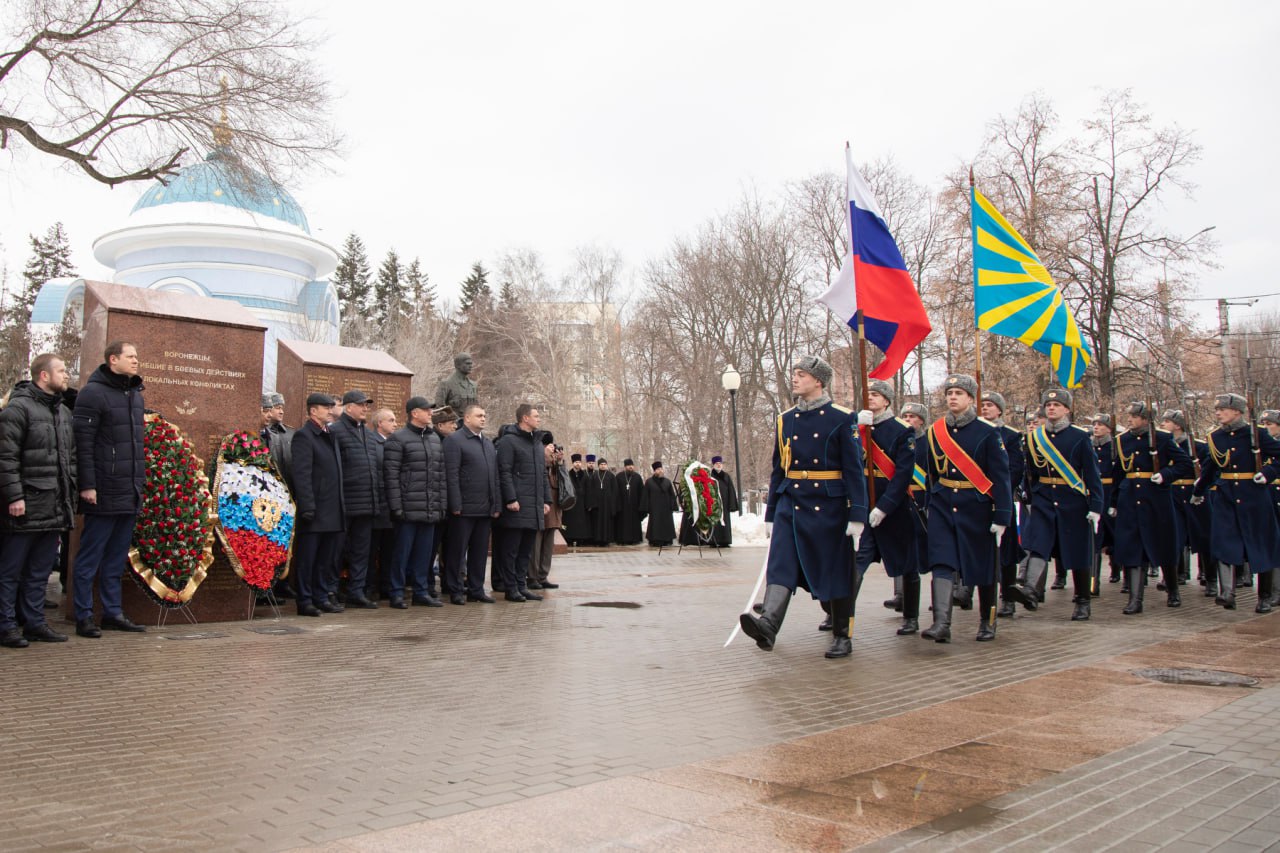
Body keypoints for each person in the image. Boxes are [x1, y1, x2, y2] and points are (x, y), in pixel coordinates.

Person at [740, 355, 867, 659]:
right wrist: (771, 512)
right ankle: (768, 625)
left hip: (829, 504)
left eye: (802, 375)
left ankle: (842, 635)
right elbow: (778, 469)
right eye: (795, 374)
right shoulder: (786, 419)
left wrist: (857, 514)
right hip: (792, 501)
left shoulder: (842, 417)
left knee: (836, 569)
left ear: (818, 381)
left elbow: (853, 470)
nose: (795, 379)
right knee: (781, 563)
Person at [920, 374, 1012, 644]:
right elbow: (931, 473)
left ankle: (987, 621)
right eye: (949, 393)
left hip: (977, 506)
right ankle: (941, 623)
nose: (953, 397)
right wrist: (930, 503)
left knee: (982, 565)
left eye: (959, 393)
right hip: (943, 504)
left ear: (971, 398)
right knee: (941, 560)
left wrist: (1002, 515)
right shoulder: (936, 431)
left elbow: (1001, 477)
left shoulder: (988, 432)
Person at [70, 340, 147, 637]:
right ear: (113, 359)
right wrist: (87, 485)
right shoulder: (92, 393)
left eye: (136, 356)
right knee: (90, 557)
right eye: (131, 356)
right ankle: (83, 615)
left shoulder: (134, 395)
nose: (136, 361)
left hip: (129, 489)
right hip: (102, 490)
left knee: (116, 558)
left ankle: (112, 612)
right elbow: (83, 444)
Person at [0, 354, 77, 647]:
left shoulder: (63, 412)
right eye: (61, 370)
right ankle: (6, 625)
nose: (66, 375)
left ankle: (34, 623)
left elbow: (70, 459)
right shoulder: (18, 409)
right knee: (10, 571)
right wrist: (15, 496)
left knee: (40, 572)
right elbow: (6, 458)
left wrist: (70, 493)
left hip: (55, 505)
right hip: (25, 505)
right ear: (44, 376)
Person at [1008, 388, 1103, 621]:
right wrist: (1030, 496)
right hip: (1044, 499)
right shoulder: (1034, 438)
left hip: (1073, 500)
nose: (1051, 408)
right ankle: (1030, 589)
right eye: (1048, 405)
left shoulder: (1079, 437)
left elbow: (1092, 474)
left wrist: (1096, 506)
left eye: (1057, 405)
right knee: (1038, 544)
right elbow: (1031, 471)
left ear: (1067, 409)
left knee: (1077, 551)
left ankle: (1082, 601)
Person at [1191, 393, 1280, 613]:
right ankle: (1227, 593)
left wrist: (1268, 473)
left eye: (1223, 409)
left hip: (1254, 496)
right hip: (1226, 497)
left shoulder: (1257, 433)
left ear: (1237, 412)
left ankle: (1264, 597)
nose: (1218, 413)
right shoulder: (1215, 437)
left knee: (1261, 546)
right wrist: (1198, 491)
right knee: (1223, 542)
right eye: (1217, 410)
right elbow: (1210, 468)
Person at [848, 379, 921, 641]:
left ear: (887, 401)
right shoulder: (857, 427)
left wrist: (884, 507)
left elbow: (902, 474)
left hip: (894, 507)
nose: (871, 398)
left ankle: (911, 616)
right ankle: (842, 615)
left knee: (907, 563)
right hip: (864, 505)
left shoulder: (901, 430)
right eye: (867, 394)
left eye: (876, 395)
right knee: (856, 562)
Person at [1110, 401, 1194, 614]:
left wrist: (1165, 475)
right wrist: (1113, 502)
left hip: (1156, 499)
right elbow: (1118, 473)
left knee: (1163, 546)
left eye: (1134, 416)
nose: (1130, 419)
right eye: (1129, 415)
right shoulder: (1122, 440)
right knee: (1132, 548)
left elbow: (1185, 464)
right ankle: (1135, 600)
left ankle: (1173, 590)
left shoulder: (1162, 438)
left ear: (1146, 419)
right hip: (1130, 499)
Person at [383, 397, 446, 609]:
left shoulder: (434, 439)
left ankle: (421, 592)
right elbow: (391, 476)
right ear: (414, 413)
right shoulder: (398, 439)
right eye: (426, 410)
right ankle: (396, 592)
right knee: (402, 553)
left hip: (430, 508)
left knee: (424, 554)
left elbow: (440, 476)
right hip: (407, 509)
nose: (430, 413)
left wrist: (441, 505)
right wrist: (396, 506)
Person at [290, 393, 345, 616]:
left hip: (332, 508)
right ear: (313, 411)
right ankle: (305, 600)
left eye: (331, 407)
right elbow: (302, 475)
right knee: (308, 558)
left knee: (325, 558)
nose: (330, 410)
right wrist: (307, 506)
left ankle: (321, 597)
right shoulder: (304, 436)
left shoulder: (330, 434)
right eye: (326, 407)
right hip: (315, 510)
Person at [443, 403, 501, 604]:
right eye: (479, 415)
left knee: (479, 553)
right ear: (467, 418)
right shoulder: (454, 440)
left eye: (484, 415)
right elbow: (451, 475)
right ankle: (455, 589)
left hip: (485, 509)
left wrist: (496, 504)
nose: (483, 418)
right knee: (457, 552)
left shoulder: (487, 443)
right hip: (464, 509)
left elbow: (494, 476)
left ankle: (476, 589)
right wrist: (455, 504)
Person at [329, 390, 382, 609]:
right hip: (344, 503)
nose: (365, 409)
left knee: (362, 551)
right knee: (337, 550)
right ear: (348, 407)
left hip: (367, 503)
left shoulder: (368, 434)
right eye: (361, 405)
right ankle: (331, 590)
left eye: (367, 405)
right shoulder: (335, 431)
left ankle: (356, 591)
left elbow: (373, 469)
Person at [492, 404, 551, 602]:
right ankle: (511, 588)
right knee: (511, 550)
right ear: (525, 418)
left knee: (526, 551)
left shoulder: (537, 443)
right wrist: (511, 498)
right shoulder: (509, 441)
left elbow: (542, 474)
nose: (539, 418)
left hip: (534, 505)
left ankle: (521, 586)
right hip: (517, 506)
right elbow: (504, 472)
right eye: (536, 415)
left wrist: (546, 499)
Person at [979, 392, 1027, 618]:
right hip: (977, 500)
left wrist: (998, 491)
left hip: (1001, 500)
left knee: (1006, 553)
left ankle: (1008, 597)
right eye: (982, 404)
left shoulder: (1011, 436)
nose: (985, 408)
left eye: (990, 405)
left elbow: (1015, 469)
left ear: (999, 410)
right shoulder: (975, 432)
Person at [367, 407, 398, 602]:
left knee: (390, 550)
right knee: (371, 551)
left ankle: (386, 586)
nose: (395, 424)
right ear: (380, 423)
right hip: (377, 506)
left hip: (391, 507)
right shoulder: (372, 443)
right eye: (391, 420)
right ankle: (369, 587)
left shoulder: (393, 443)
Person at [527, 439, 563, 590]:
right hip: (541, 506)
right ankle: (532, 576)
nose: (552, 450)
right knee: (536, 543)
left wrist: (559, 462)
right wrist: (546, 456)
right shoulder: (538, 458)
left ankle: (543, 575)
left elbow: (564, 481)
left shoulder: (556, 464)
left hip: (554, 508)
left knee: (548, 545)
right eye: (549, 446)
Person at [1091, 414, 1121, 587]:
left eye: (1100, 424)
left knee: (1114, 532)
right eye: (1095, 424)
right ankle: (1093, 580)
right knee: (1095, 536)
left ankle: (1116, 568)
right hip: (1095, 492)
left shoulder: (1115, 446)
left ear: (1109, 429)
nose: (1096, 427)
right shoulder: (1089, 445)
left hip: (1110, 492)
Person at [641, 462, 677, 546]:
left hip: (666, 508)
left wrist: (672, 506)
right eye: (658, 469)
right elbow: (645, 496)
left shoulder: (667, 481)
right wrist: (646, 508)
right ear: (654, 471)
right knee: (655, 524)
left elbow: (672, 495)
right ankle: (655, 540)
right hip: (654, 508)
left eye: (661, 469)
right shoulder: (649, 482)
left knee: (666, 524)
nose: (660, 471)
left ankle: (667, 540)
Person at [709, 456, 740, 546]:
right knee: (715, 522)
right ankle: (714, 541)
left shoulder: (726, 476)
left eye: (720, 463)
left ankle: (725, 541)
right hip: (714, 503)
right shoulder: (710, 476)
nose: (719, 465)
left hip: (725, 504)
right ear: (713, 465)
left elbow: (731, 490)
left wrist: (732, 504)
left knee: (725, 521)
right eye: (717, 463)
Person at [561, 454, 592, 546]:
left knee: (581, 522)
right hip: (571, 502)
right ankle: (569, 539)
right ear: (573, 463)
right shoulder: (568, 474)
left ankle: (580, 539)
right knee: (570, 522)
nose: (578, 464)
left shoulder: (585, 475)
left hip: (581, 503)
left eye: (579, 462)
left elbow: (589, 490)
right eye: (576, 462)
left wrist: (589, 504)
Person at [614, 459, 645, 545]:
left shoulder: (638, 477)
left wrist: (641, 505)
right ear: (625, 467)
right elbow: (616, 492)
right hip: (622, 505)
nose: (630, 467)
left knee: (634, 522)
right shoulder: (619, 477)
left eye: (632, 465)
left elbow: (641, 492)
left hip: (634, 506)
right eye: (628, 465)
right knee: (622, 523)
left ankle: (635, 539)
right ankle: (622, 540)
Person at [590, 457, 618, 546]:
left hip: (607, 504)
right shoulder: (594, 475)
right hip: (597, 504)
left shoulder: (611, 476)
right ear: (598, 466)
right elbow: (591, 490)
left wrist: (613, 505)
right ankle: (597, 540)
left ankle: (607, 540)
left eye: (605, 464)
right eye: (601, 464)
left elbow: (615, 491)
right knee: (597, 523)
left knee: (607, 523)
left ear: (607, 465)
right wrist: (592, 503)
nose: (603, 466)